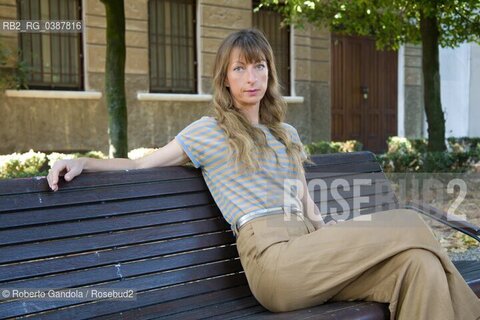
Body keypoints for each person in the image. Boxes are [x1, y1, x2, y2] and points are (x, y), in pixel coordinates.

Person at [47, 29, 480, 319]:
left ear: (269, 73)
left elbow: (307, 204)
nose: (251, 77)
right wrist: (84, 161)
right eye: (239, 68)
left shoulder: (286, 133)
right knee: (410, 222)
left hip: (313, 250)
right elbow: (140, 163)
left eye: (259, 67)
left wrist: (336, 239)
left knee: (418, 265)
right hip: (275, 264)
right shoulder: (207, 131)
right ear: (226, 79)